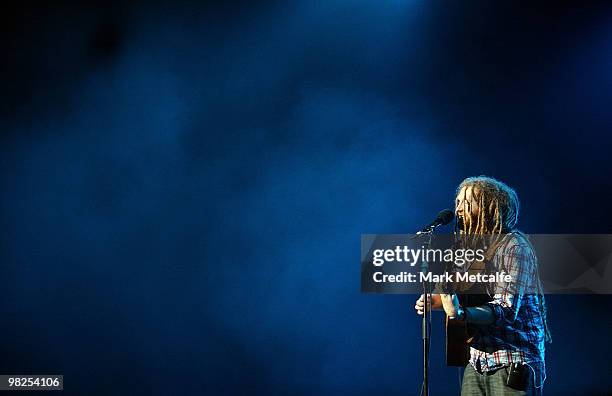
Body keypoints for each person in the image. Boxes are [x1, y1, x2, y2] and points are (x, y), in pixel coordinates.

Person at [415, 176, 550, 395]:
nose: (459, 208)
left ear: (490, 207)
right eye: (458, 202)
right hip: (476, 361)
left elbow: (505, 309)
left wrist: (461, 313)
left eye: (467, 203)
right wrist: (433, 301)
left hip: (512, 360)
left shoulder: (514, 246)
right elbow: (450, 293)